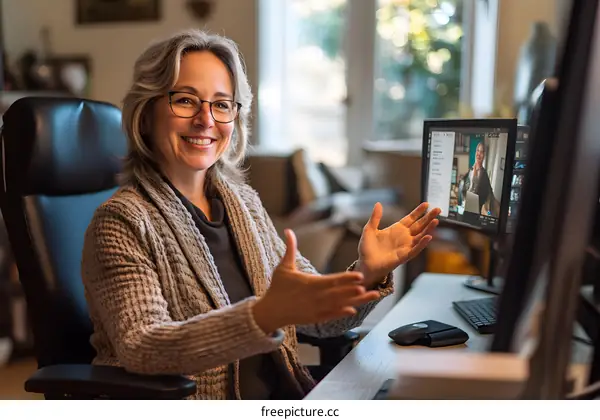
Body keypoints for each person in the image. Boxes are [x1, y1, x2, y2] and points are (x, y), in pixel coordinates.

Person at [81, 29, 441, 400]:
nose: (206, 120)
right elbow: (143, 347)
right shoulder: (121, 222)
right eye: (186, 100)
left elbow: (320, 321)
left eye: (222, 104)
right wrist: (262, 316)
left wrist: (368, 273)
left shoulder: (243, 204)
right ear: (147, 111)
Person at [461, 141, 494, 215]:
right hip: (465, 207)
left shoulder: (484, 174)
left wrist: (484, 208)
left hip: (475, 210)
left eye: (481, 152)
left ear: (484, 155)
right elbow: (464, 188)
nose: (479, 154)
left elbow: (488, 194)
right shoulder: (470, 170)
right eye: (478, 150)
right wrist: (464, 199)